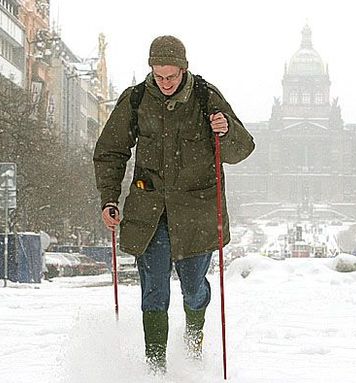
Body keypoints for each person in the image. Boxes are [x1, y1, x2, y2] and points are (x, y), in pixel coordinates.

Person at [93, 35, 255, 373]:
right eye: (158, 75)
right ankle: (156, 368)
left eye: (171, 76)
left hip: (196, 214)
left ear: (184, 69)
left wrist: (225, 132)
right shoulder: (136, 99)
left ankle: (194, 339)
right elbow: (110, 152)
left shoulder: (206, 97)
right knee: (153, 292)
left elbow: (241, 151)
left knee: (194, 288)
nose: (165, 83)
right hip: (150, 213)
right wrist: (109, 199)